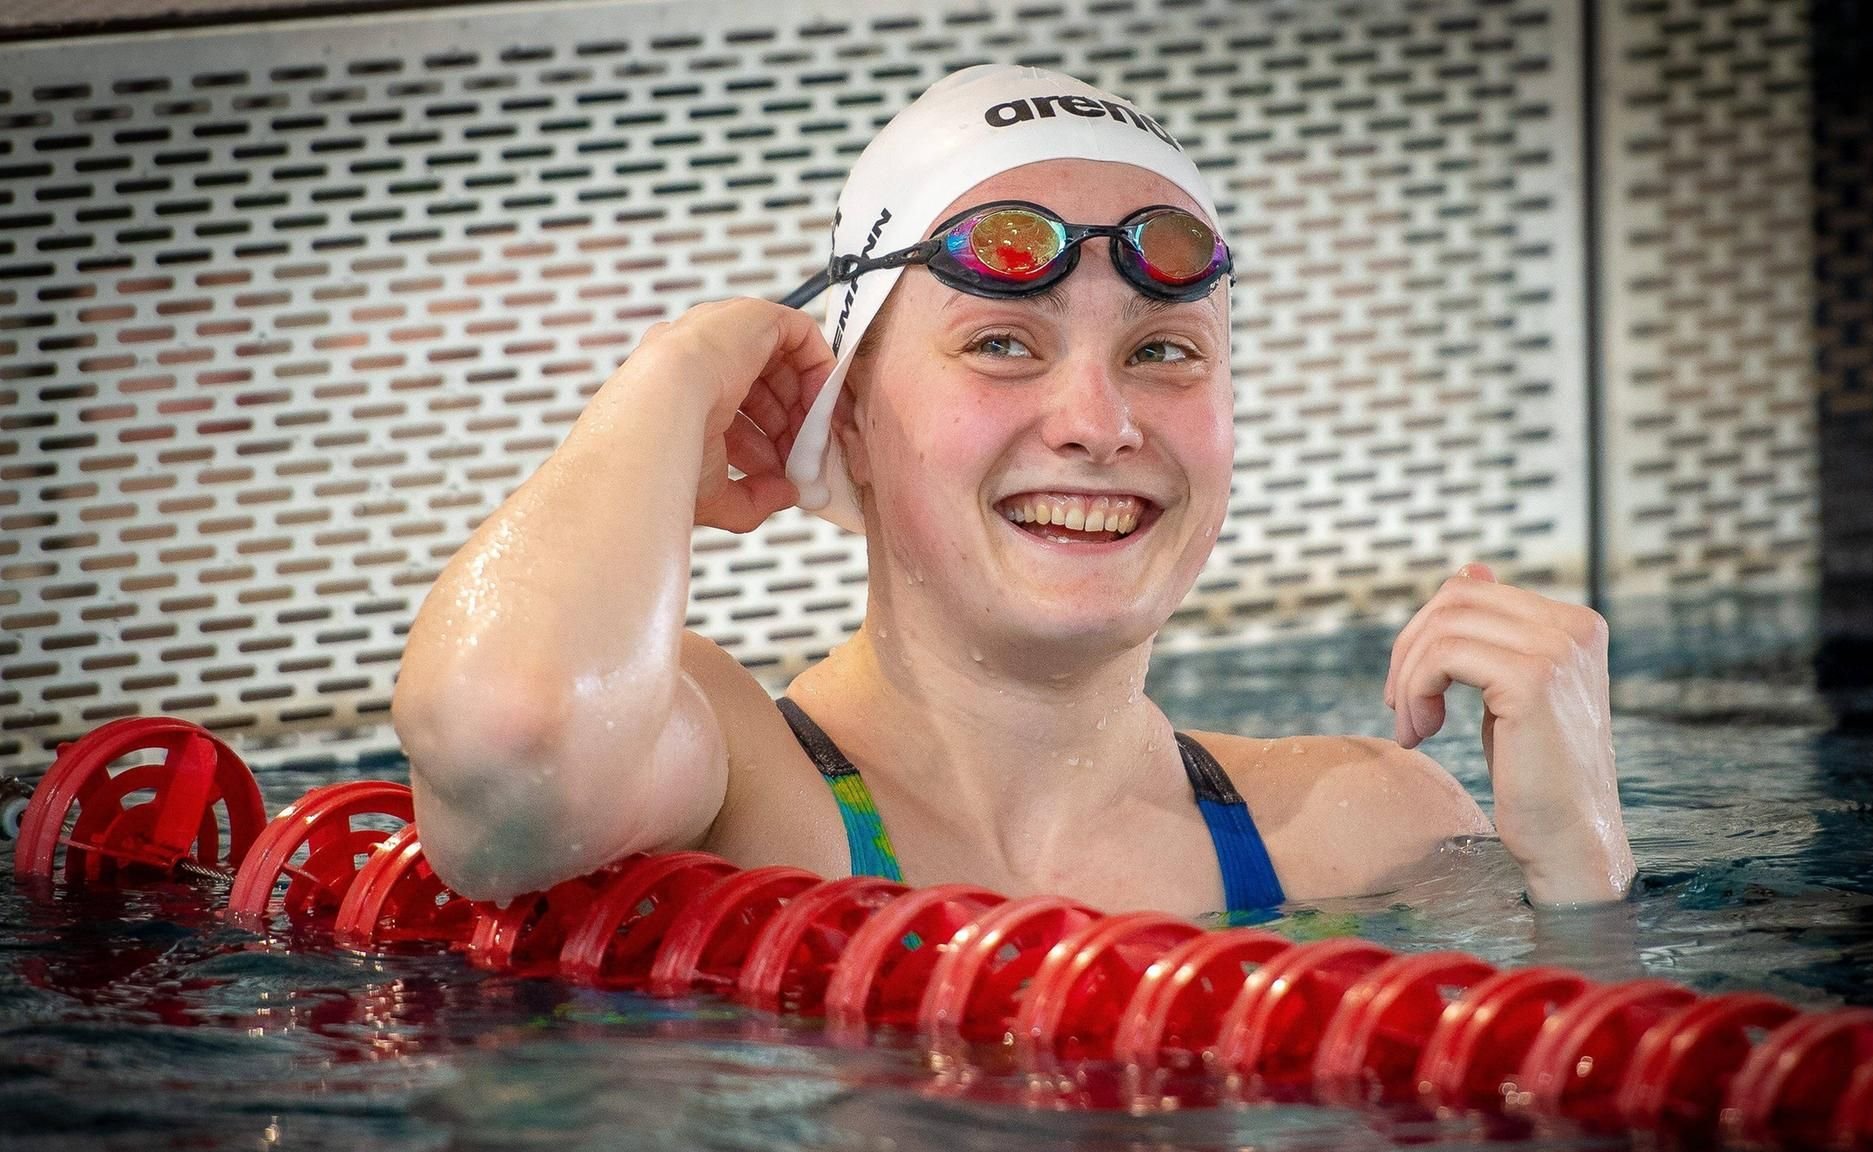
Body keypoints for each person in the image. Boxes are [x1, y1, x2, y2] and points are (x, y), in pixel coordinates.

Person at [393, 65, 1634, 914]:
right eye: (1002, 344)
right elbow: (506, 754)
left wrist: (1584, 857)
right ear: (856, 421)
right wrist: (677, 373)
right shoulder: (732, 774)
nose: (1099, 424)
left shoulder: (1356, 828)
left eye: (1163, 352)